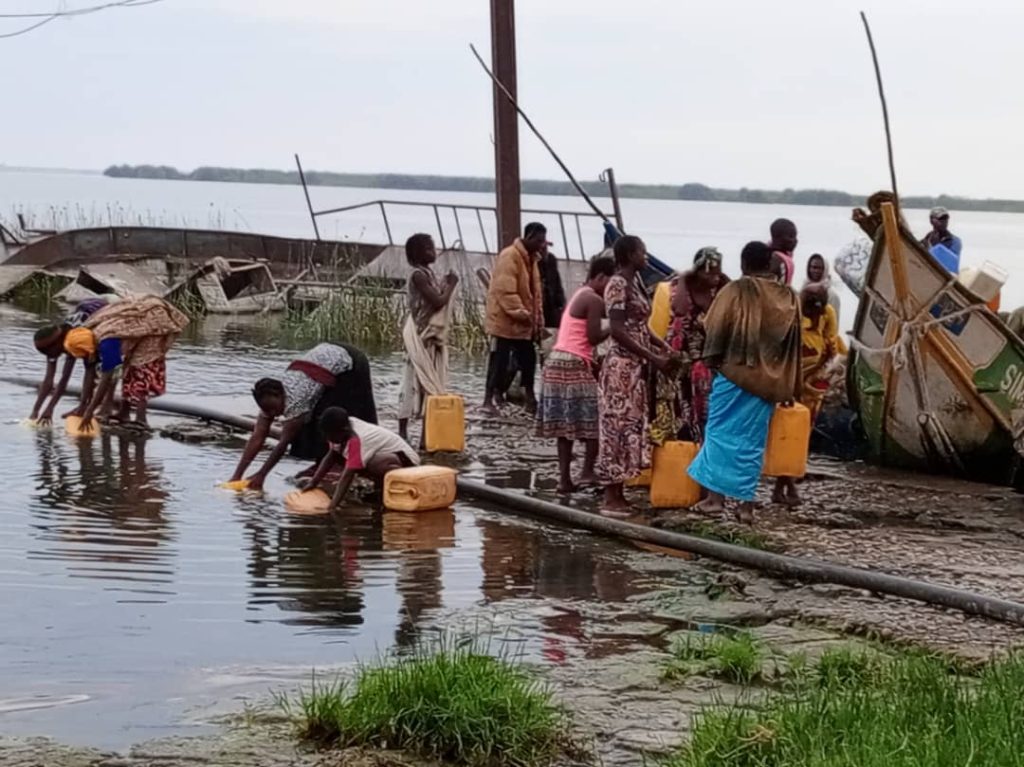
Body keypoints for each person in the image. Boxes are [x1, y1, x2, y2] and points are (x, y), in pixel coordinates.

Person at [687, 240, 802, 523]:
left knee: (718, 434)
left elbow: (713, 325)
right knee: (752, 443)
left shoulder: (737, 289)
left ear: (743, 264)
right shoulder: (789, 296)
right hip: (768, 383)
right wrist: (789, 384)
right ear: (770, 265)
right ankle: (746, 506)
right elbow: (794, 343)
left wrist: (711, 359)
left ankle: (715, 500)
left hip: (734, 374)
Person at [595, 235, 674, 514]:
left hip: (635, 368)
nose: (647, 256)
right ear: (629, 255)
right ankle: (610, 495)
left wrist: (663, 345)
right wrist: (652, 357)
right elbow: (618, 330)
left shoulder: (636, 283)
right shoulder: (617, 284)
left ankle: (620, 491)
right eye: (642, 252)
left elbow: (640, 325)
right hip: (620, 369)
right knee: (615, 427)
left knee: (629, 426)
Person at [230, 343, 378, 490]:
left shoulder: (296, 399)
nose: (273, 414)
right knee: (311, 417)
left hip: (350, 362)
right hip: (327, 360)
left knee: (330, 419)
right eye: (267, 410)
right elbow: (257, 436)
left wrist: (261, 475)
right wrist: (237, 475)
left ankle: (338, 465)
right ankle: (322, 464)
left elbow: (283, 443)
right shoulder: (269, 401)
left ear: (278, 395)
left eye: (274, 408)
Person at [536, 254, 615, 493]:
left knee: (565, 426)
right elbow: (593, 337)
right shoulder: (593, 299)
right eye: (610, 283)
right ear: (601, 277)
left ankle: (564, 479)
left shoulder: (580, 294)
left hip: (557, 361)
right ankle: (587, 471)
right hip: (573, 364)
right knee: (594, 420)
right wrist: (615, 324)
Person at [70, 295, 189, 432]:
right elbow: (116, 372)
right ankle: (124, 412)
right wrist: (89, 407)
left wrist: (89, 411)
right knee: (127, 370)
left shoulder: (107, 344)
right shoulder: (92, 334)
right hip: (139, 320)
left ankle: (141, 419)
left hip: (155, 321)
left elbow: (107, 378)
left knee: (141, 370)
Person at [773, 283, 842, 506]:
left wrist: (825, 362)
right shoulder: (792, 314)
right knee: (787, 432)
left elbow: (830, 343)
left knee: (803, 434)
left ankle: (784, 484)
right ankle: (786, 485)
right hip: (792, 378)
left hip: (815, 381)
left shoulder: (827, 314)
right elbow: (783, 352)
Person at [661, 247, 730, 443]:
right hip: (683, 357)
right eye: (710, 272)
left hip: (709, 358)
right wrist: (683, 279)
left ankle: (704, 445)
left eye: (718, 271)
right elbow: (679, 310)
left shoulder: (720, 288)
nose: (715, 277)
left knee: (708, 409)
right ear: (698, 271)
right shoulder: (681, 285)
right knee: (684, 405)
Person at [397, 233, 459, 447]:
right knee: (412, 384)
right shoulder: (418, 276)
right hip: (420, 338)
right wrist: (450, 285)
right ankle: (402, 432)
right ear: (418, 253)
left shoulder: (427, 273)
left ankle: (426, 436)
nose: (434, 252)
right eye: (429, 249)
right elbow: (438, 301)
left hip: (429, 338)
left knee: (430, 386)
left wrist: (445, 284)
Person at [483, 222, 546, 414]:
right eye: (539, 240)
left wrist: (536, 320)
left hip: (523, 323)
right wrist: (522, 313)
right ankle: (489, 399)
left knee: (528, 359)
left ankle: (528, 397)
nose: (542, 244)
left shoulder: (532, 259)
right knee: (499, 360)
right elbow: (505, 291)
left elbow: (535, 293)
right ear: (529, 237)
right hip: (505, 321)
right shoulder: (509, 256)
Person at [303, 407, 420, 511]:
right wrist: (313, 482)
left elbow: (347, 476)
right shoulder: (342, 429)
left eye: (330, 436)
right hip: (387, 455)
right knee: (350, 459)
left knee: (373, 464)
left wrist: (332, 506)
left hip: (407, 461)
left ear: (343, 430)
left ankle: (391, 487)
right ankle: (379, 488)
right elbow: (330, 456)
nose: (327, 438)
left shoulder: (356, 439)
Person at [29, 296, 115, 425]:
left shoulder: (77, 338)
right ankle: (88, 406)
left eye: (52, 354)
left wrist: (50, 408)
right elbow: (49, 380)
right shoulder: (55, 344)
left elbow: (67, 377)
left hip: (109, 317)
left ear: (58, 344)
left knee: (107, 369)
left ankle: (102, 408)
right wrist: (35, 411)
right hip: (89, 312)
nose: (52, 357)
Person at [804, 253, 841, 323]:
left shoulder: (832, 296)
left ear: (825, 270)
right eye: (814, 267)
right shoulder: (804, 289)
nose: (816, 271)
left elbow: (834, 325)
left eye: (820, 268)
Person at [538, 241, 567, 330]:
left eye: (545, 249)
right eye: (542, 249)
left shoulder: (551, 260)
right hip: (541, 304)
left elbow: (557, 282)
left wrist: (562, 303)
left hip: (552, 304)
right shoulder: (534, 261)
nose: (544, 252)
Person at [769, 218, 799, 285]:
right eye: (791, 236)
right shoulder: (776, 260)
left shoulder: (785, 255)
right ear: (778, 238)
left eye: (795, 236)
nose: (796, 240)